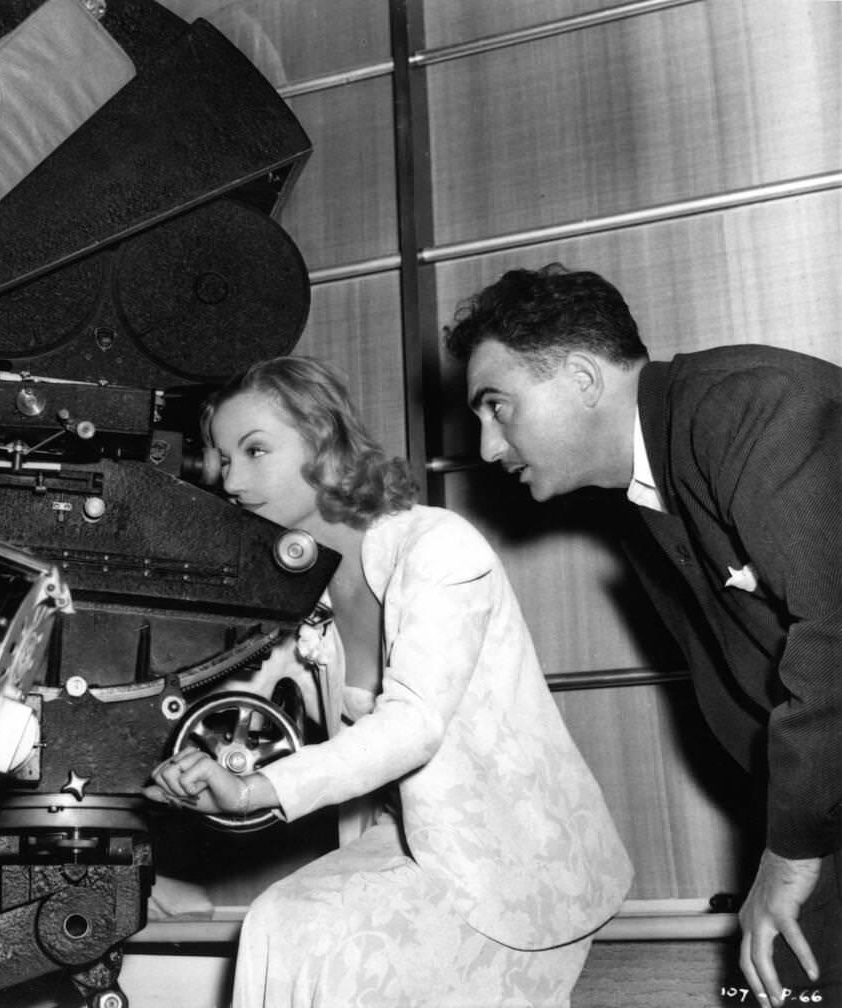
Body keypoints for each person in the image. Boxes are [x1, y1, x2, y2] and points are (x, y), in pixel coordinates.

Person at [144, 356, 632, 1007]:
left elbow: (413, 726)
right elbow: (251, 717)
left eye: (255, 450)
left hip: (515, 872)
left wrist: (257, 789)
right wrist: (201, 768)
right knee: (278, 928)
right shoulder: (309, 596)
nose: (231, 479)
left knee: (306, 939)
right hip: (405, 854)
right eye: (222, 457)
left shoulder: (438, 547)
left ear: (325, 443)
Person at [446, 264, 842, 1008]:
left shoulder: (750, 409)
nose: (489, 447)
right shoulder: (640, 497)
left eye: (499, 407)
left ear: (582, 378)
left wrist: (787, 860)